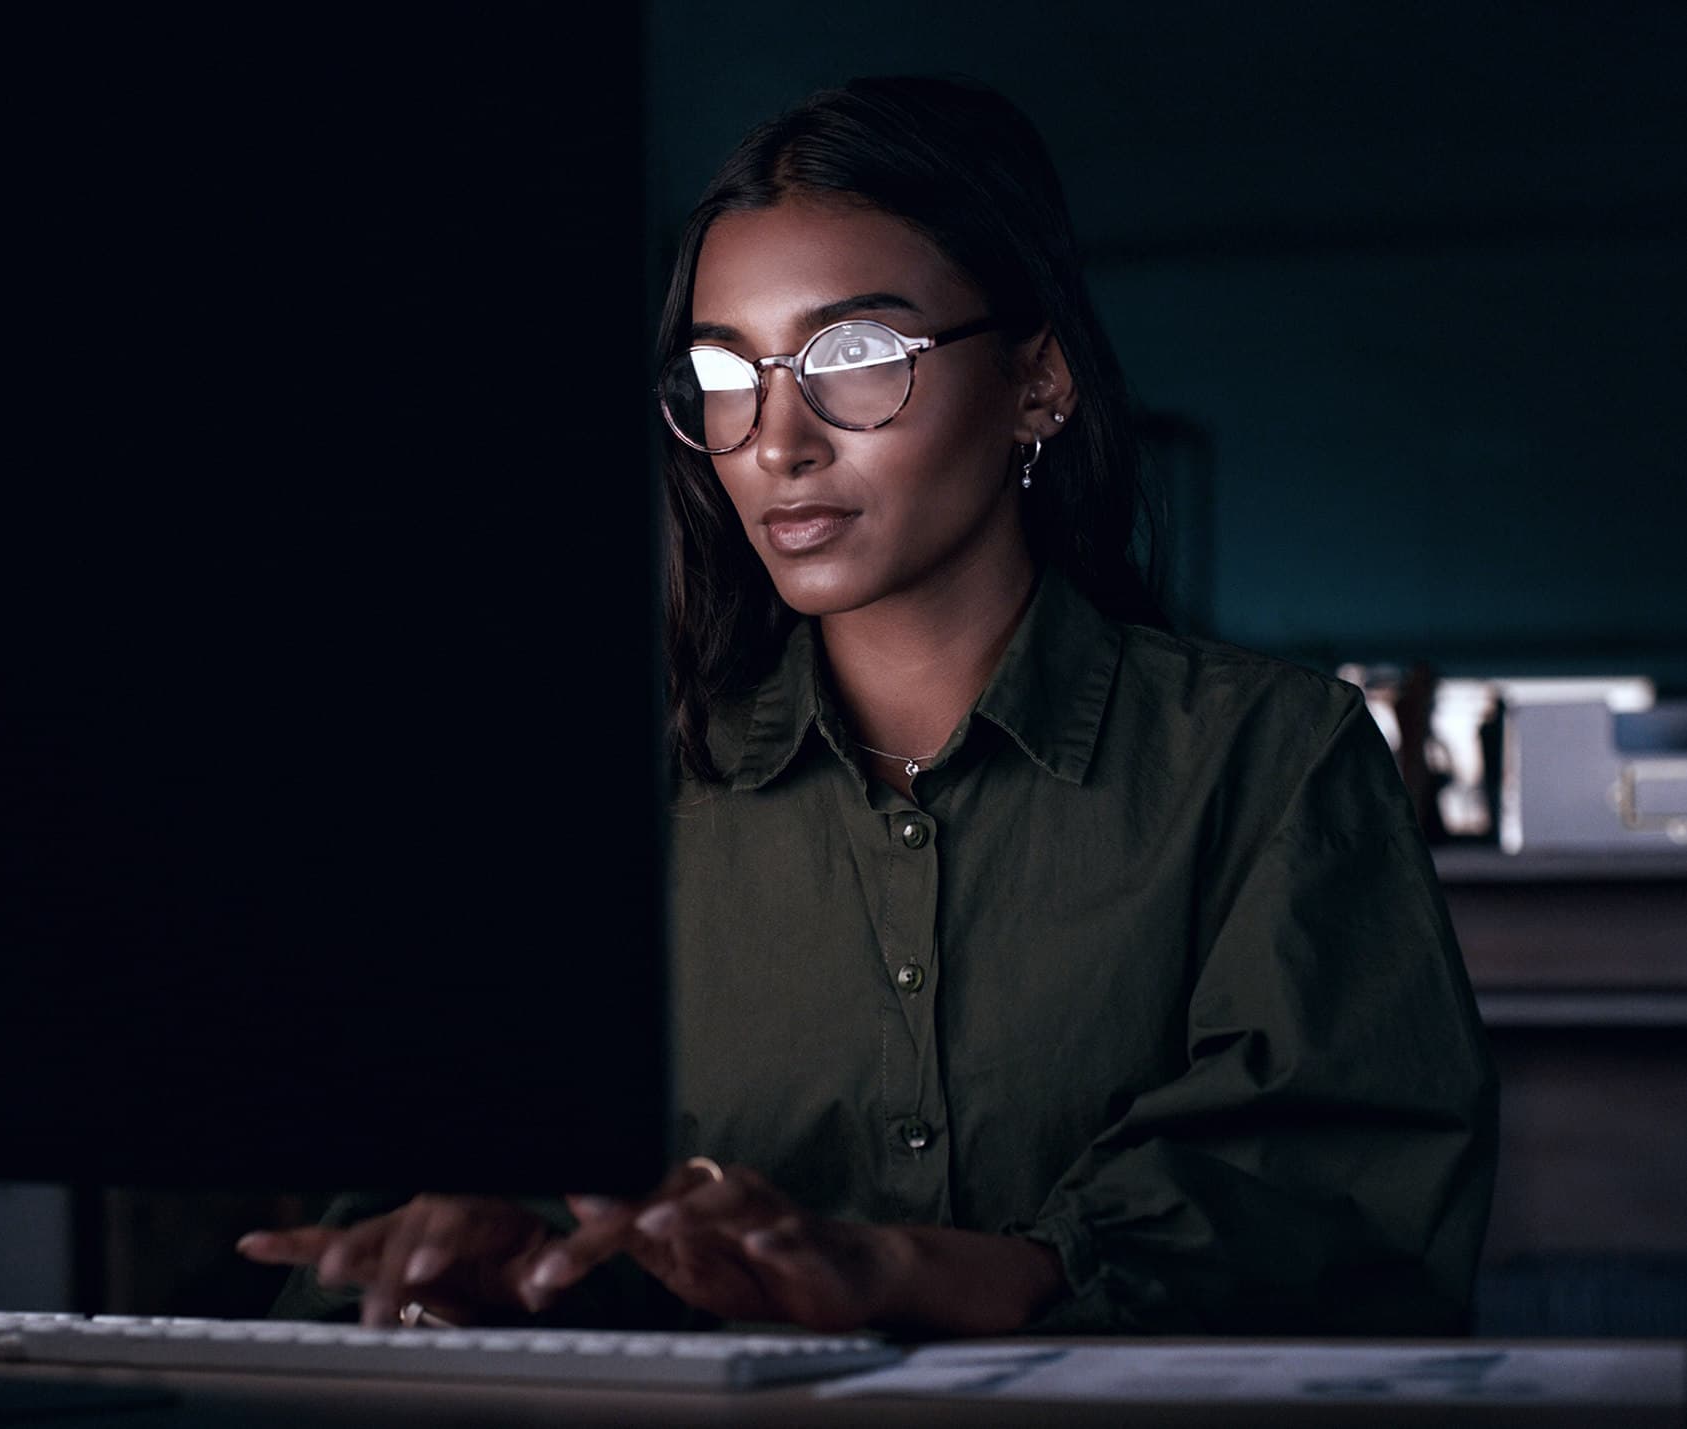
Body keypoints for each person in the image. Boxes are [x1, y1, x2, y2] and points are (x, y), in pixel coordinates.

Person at [238, 74, 1498, 1337]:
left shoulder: (1265, 763)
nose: (779, 438)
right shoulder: (613, 809)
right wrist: (476, 1268)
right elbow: (458, 1193)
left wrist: (906, 1275)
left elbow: (1334, 1207)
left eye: (856, 356)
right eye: (723, 373)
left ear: (1037, 382)